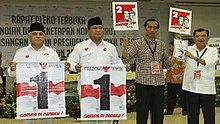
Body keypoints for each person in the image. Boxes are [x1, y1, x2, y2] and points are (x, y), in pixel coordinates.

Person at [67, 17, 125, 124]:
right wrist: (75, 67)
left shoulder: (110, 47)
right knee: (89, 119)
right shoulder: (80, 47)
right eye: (94, 28)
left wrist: (124, 68)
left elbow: (117, 64)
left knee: (105, 119)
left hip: (106, 90)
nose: (98, 30)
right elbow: (70, 62)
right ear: (88, 31)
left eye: (100, 28)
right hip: (87, 89)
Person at [8, 22, 60, 124]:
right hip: (28, 93)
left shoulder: (52, 53)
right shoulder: (21, 52)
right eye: (34, 33)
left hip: (46, 93)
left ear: (44, 36)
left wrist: (64, 68)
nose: (37, 36)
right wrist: (13, 69)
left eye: (40, 34)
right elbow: (11, 74)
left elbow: (58, 73)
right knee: (29, 121)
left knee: (48, 120)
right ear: (29, 36)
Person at [122, 19, 168, 124]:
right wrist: (125, 48)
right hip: (143, 84)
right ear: (145, 28)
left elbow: (165, 62)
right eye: (150, 27)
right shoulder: (137, 43)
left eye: (155, 27)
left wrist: (171, 61)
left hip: (159, 83)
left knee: (158, 114)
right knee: (142, 113)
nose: (152, 30)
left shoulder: (161, 44)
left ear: (157, 29)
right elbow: (126, 59)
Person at [183, 28, 218, 124]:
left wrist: (193, 57)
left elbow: (207, 63)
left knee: (209, 116)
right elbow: (178, 58)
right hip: (191, 88)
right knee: (192, 117)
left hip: (207, 89)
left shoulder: (213, 51)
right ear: (194, 39)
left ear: (208, 38)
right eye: (197, 36)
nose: (200, 38)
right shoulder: (188, 49)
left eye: (203, 36)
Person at [164, 41, 187, 116]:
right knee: (170, 96)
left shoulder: (181, 57)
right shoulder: (170, 57)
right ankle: (169, 110)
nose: (169, 48)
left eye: (170, 46)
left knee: (182, 96)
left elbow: (184, 68)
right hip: (170, 80)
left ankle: (185, 109)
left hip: (179, 80)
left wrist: (184, 78)